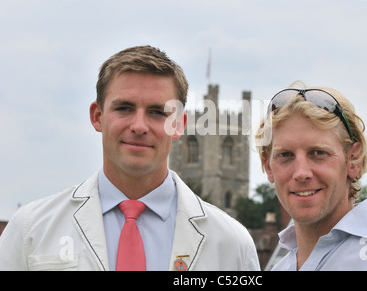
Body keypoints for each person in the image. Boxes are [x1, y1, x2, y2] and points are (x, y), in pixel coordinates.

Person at [0, 45, 260, 271]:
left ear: (179, 125)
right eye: (124, 108)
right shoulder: (30, 229)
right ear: (97, 116)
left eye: (157, 112)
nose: (139, 126)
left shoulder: (232, 243)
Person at [255, 81, 367, 270]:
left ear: (353, 160)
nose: (301, 173)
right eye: (285, 155)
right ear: (268, 166)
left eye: (318, 153)